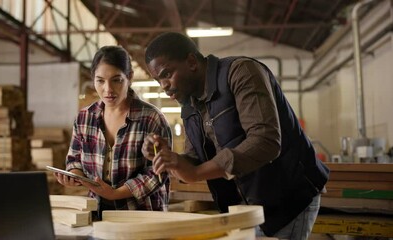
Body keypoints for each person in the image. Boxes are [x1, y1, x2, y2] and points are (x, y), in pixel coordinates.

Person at [142, 32, 329, 239]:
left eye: (167, 74)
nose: (164, 85)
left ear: (192, 61)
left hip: (287, 197)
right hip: (247, 206)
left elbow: (265, 141)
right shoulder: (190, 104)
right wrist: (172, 159)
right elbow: (195, 159)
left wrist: (195, 173)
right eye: (158, 80)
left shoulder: (241, 73)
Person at [54, 45, 172, 219]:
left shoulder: (151, 119)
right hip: (98, 215)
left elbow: (157, 173)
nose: (107, 89)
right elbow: (74, 160)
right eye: (100, 81)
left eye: (116, 80)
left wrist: (115, 194)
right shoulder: (84, 118)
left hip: (142, 217)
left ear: (129, 77)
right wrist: (74, 176)